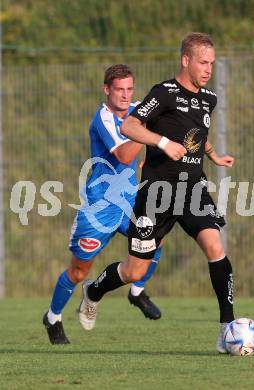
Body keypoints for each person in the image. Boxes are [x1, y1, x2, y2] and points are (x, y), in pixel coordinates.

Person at [78, 32, 236, 353]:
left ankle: (227, 328)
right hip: (156, 194)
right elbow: (130, 127)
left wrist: (213, 154)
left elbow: (196, 132)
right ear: (185, 60)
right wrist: (163, 143)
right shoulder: (163, 93)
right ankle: (93, 291)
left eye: (212, 63)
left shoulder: (209, 99)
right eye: (203, 62)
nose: (208, 69)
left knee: (214, 245)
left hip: (192, 191)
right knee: (135, 270)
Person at [43, 64, 162, 345]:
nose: (125, 95)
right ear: (106, 89)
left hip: (130, 199)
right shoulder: (103, 119)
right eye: (119, 89)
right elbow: (123, 154)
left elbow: (160, 130)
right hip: (101, 207)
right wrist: (145, 128)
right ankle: (52, 317)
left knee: (154, 240)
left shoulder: (137, 110)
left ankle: (136, 291)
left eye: (129, 89)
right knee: (78, 271)